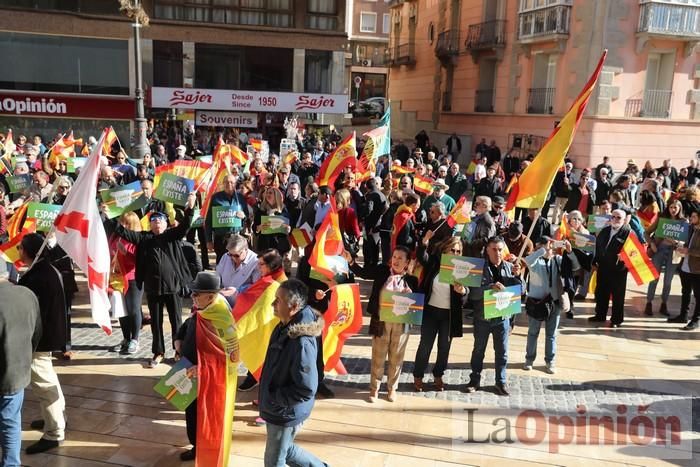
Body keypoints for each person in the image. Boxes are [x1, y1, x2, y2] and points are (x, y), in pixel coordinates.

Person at [110, 194, 196, 367]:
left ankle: (178, 351)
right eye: (154, 221)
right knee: (156, 323)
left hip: (173, 287)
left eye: (160, 221)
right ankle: (158, 352)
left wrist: (190, 208)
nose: (157, 224)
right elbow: (122, 231)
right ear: (150, 224)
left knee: (176, 321)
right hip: (153, 289)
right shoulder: (144, 238)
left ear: (165, 224)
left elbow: (186, 225)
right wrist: (110, 215)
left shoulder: (172, 236)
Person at [259, 279, 326, 467]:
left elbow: (306, 388)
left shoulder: (301, 342)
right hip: (279, 408)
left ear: (294, 306)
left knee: (274, 460)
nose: (273, 304)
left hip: (283, 412)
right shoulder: (284, 325)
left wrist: (276, 399)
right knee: (286, 449)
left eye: (278, 300)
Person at [175, 271, 239, 462]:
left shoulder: (222, 319)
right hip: (189, 372)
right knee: (191, 414)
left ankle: (209, 453)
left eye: (196, 294)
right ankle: (196, 447)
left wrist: (202, 369)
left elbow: (231, 357)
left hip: (209, 378)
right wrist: (178, 340)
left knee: (208, 418)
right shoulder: (202, 309)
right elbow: (188, 325)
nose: (192, 297)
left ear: (211, 296)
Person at [17, 233, 68, 454]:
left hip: (40, 340)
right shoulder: (44, 269)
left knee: (45, 385)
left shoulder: (39, 276)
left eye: (20, 247)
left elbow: (32, 310)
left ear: (29, 251)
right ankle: (57, 417)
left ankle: (54, 432)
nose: (18, 250)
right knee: (49, 380)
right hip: (47, 337)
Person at [348, 246, 418, 402]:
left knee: (396, 357)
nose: (396, 260)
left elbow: (418, 305)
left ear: (407, 262)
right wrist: (351, 261)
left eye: (400, 258)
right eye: (394, 257)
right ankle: (375, 388)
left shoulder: (412, 280)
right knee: (378, 356)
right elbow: (364, 274)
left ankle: (392, 388)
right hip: (381, 321)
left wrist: (411, 296)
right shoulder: (382, 271)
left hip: (401, 324)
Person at [466, 236, 522, 396]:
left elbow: (521, 291)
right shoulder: (479, 268)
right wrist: (490, 288)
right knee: (478, 351)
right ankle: (474, 380)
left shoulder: (510, 267)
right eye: (494, 249)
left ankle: (500, 382)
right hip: (482, 318)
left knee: (502, 352)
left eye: (500, 249)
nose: (497, 253)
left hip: (503, 318)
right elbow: (472, 295)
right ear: (487, 250)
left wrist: (518, 277)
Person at [412, 236, 468, 391]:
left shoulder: (462, 269)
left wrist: (463, 291)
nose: (456, 253)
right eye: (453, 250)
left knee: (444, 347)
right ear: (445, 250)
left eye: (459, 251)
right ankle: (418, 375)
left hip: (449, 315)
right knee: (425, 345)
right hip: (431, 311)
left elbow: (468, 293)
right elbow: (422, 257)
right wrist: (423, 244)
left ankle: (438, 375)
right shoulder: (435, 262)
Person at [0, 274, 42, 467]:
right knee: (10, 423)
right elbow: (36, 333)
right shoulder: (27, 295)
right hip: (15, 373)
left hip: (11, 374)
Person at [523, 237, 569, 374]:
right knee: (533, 333)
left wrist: (569, 250)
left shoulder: (557, 260)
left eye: (550, 244)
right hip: (536, 302)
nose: (549, 247)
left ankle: (550, 361)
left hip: (554, 301)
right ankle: (529, 359)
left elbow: (573, 266)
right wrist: (542, 250)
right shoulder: (535, 260)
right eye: (545, 244)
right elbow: (527, 261)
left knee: (551, 334)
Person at [108, 212, 144, 354]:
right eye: (122, 222)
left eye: (126, 223)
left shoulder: (137, 239)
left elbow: (140, 260)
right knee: (121, 309)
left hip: (132, 278)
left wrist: (126, 254)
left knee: (133, 309)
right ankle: (126, 338)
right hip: (116, 278)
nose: (122, 225)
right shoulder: (116, 236)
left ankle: (135, 339)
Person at [589, 209, 631, 327]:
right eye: (613, 217)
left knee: (618, 296)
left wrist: (624, 256)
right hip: (603, 266)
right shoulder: (605, 230)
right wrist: (595, 260)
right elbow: (598, 246)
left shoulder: (628, 233)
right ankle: (600, 315)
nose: (615, 219)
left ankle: (616, 320)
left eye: (618, 218)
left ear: (624, 220)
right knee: (601, 292)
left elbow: (635, 251)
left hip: (619, 269)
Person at [644, 199, 685, 316]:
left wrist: (677, 242)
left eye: (675, 208)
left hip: (674, 253)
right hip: (659, 250)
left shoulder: (683, 221)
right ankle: (649, 303)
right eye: (671, 207)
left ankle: (664, 304)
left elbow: (686, 240)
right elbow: (646, 232)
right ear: (668, 207)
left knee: (668, 281)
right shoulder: (662, 219)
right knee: (654, 278)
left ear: (679, 209)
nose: (673, 210)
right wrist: (652, 244)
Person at [206, 174, 248, 263]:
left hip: (236, 237)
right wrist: (209, 240)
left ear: (235, 183)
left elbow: (247, 216)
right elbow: (209, 220)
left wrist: (243, 216)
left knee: (237, 263)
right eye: (226, 182)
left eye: (232, 182)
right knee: (221, 264)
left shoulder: (240, 198)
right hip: (221, 238)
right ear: (223, 184)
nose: (229, 184)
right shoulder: (216, 198)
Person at [671, 210, 700, 329]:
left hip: (697, 269)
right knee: (685, 291)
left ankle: (695, 320)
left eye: (694, 216)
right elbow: (688, 244)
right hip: (685, 265)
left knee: (698, 295)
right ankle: (683, 315)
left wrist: (689, 251)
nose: (691, 218)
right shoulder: (691, 229)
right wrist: (680, 246)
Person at [217, 234, 261, 306]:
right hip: (223, 303)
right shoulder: (225, 257)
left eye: (236, 256)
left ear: (245, 249)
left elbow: (257, 287)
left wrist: (238, 291)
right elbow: (217, 277)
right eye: (230, 254)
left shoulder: (256, 262)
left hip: (243, 305)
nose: (233, 258)